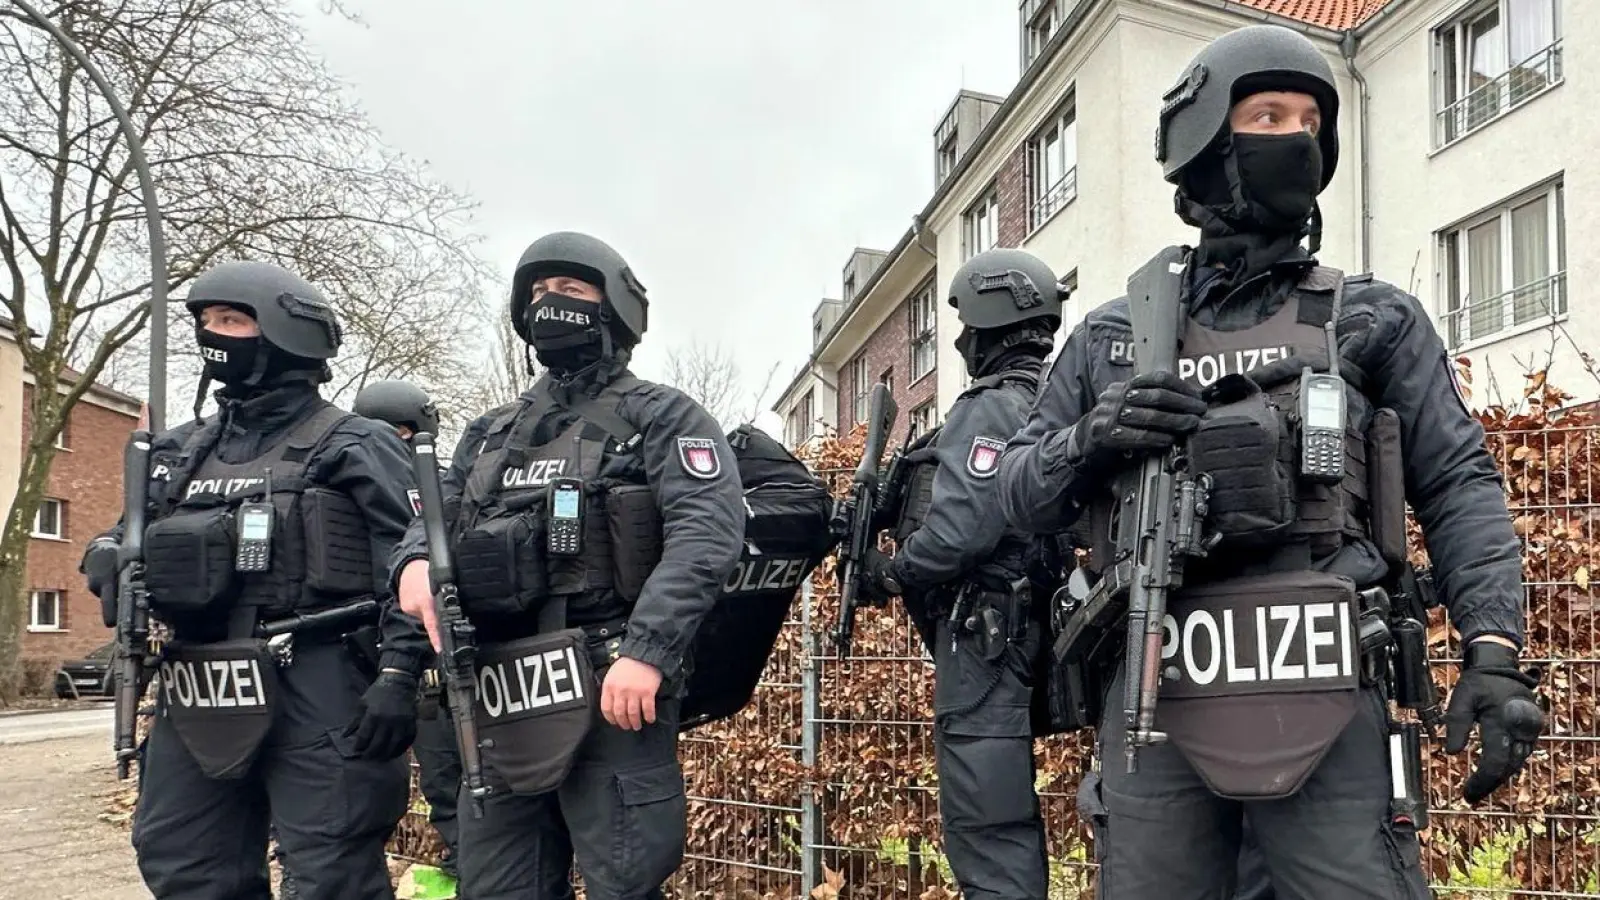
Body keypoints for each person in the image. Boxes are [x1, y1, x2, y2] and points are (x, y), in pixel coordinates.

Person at [996, 24, 1543, 899]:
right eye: (1268, 115)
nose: (1299, 139)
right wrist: (1089, 439)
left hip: (1330, 697)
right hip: (1157, 692)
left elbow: (1459, 484)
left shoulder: (1373, 320)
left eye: (1311, 123)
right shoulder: (1111, 339)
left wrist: (1494, 649)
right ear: (1205, 142)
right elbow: (1015, 497)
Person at [390, 231, 745, 900]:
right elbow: (433, 517)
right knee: (496, 885)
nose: (551, 303)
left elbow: (707, 535)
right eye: (539, 294)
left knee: (626, 878)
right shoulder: (490, 432)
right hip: (499, 691)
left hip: (610, 681)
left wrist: (647, 650)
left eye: (572, 291)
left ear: (614, 308)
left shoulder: (661, 414)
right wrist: (411, 563)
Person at [81, 260, 428, 900]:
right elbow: (119, 535)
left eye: (232, 320)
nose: (214, 333)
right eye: (207, 321)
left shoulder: (356, 444)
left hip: (319, 677)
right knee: (182, 861)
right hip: (200, 682)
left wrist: (400, 675)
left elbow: (415, 559)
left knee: (330, 873)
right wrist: (105, 557)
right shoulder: (178, 453)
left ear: (284, 333)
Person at [859, 248, 1061, 899]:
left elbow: (960, 529)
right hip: (1020, 625)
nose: (959, 338)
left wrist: (893, 572)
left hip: (986, 639)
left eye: (965, 324)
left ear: (988, 320)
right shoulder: (1049, 397)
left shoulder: (994, 407)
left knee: (986, 824)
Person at [353, 378, 466, 885]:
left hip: (439, 673)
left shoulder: (443, 493)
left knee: (466, 805)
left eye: (395, 435)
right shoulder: (350, 486)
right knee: (445, 800)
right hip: (387, 673)